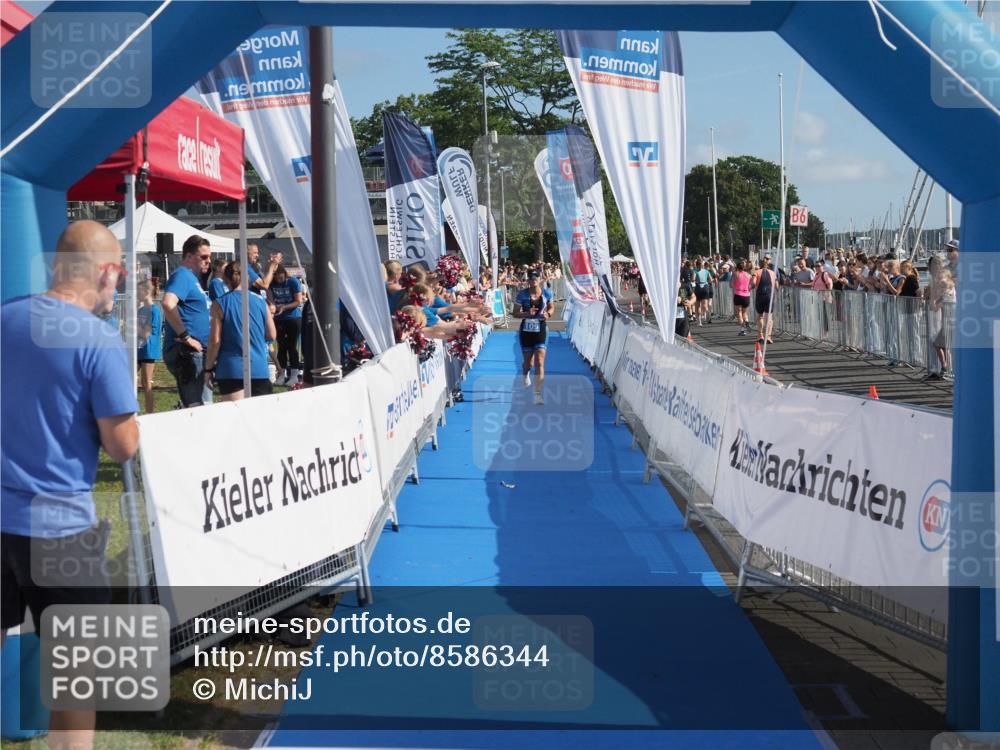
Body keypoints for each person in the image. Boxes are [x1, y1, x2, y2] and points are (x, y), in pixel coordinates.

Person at [2, 220, 139, 750]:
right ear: (106, 273)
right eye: (119, 276)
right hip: (60, 531)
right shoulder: (97, 339)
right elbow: (122, 445)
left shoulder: (6, 316)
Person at [204, 261, 277, 400]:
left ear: (225, 279)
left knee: (235, 418)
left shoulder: (219, 303)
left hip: (231, 368)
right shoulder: (261, 301)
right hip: (258, 367)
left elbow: (215, 340)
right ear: (248, 278)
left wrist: (208, 369)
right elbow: (272, 334)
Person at [162, 235, 213, 407]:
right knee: (199, 409)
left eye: (209, 257)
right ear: (189, 257)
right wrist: (186, 337)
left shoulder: (192, 278)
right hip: (188, 352)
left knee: (201, 407)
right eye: (204, 257)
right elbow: (168, 303)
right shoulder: (183, 275)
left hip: (195, 352)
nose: (208, 261)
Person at [514, 271, 554, 405]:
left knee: (540, 361)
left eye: (536, 277)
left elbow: (551, 307)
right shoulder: (522, 294)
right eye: (531, 278)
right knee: (529, 363)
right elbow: (515, 313)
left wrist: (548, 313)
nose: (534, 280)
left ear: (540, 279)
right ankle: (525, 373)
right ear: (528, 281)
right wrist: (526, 313)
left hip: (541, 328)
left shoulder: (547, 293)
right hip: (526, 329)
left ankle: (537, 394)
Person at [268, 265, 304, 386]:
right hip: (279, 318)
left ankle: (294, 375)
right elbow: (271, 300)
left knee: (292, 346)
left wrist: (284, 307)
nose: (279, 278)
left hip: (293, 317)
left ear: (284, 273)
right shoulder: (271, 284)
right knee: (281, 346)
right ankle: (282, 374)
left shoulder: (293, 281)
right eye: (276, 276)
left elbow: (298, 301)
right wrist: (274, 307)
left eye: (280, 275)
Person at [136, 276, 162, 414]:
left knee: (147, 383)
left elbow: (146, 333)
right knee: (130, 380)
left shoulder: (154, 310)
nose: (136, 294)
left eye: (138, 291)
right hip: (138, 349)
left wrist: (133, 325)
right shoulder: (140, 310)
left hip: (148, 350)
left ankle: (150, 414)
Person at [752, 257, 779, 343]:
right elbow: (777, 285)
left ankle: (760, 335)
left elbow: (753, 283)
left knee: (760, 315)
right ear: (767, 265)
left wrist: (752, 286)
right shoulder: (772, 273)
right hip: (770, 296)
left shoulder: (756, 272)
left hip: (760, 295)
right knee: (769, 317)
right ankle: (768, 336)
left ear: (760, 264)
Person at [732, 260, 752, 335]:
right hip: (746, 295)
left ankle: (742, 330)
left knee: (739, 313)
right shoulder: (748, 275)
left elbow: (731, 285)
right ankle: (746, 321)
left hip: (738, 294)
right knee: (745, 312)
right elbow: (751, 285)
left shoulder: (735, 274)